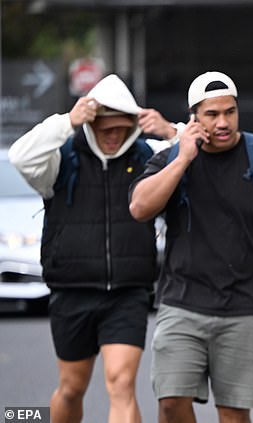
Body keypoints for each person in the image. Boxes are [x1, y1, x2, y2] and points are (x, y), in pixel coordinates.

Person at [128, 71, 253, 423]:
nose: (223, 122)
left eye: (230, 112)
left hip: (246, 306)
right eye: (212, 115)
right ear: (194, 117)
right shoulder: (172, 158)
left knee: (232, 413)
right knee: (170, 402)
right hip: (182, 302)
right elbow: (139, 207)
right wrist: (182, 158)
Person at [8, 73, 178, 423]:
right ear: (91, 124)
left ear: (132, 124)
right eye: (105, 128)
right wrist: (67, 121)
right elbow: (21, 157)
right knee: (71, 388)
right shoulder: (62, 160)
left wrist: (168, 130)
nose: (114, 136)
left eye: (121, 128)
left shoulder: (147, 157)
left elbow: (197, 149)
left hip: (128, 292)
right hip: (72, 293)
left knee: (121, 383)